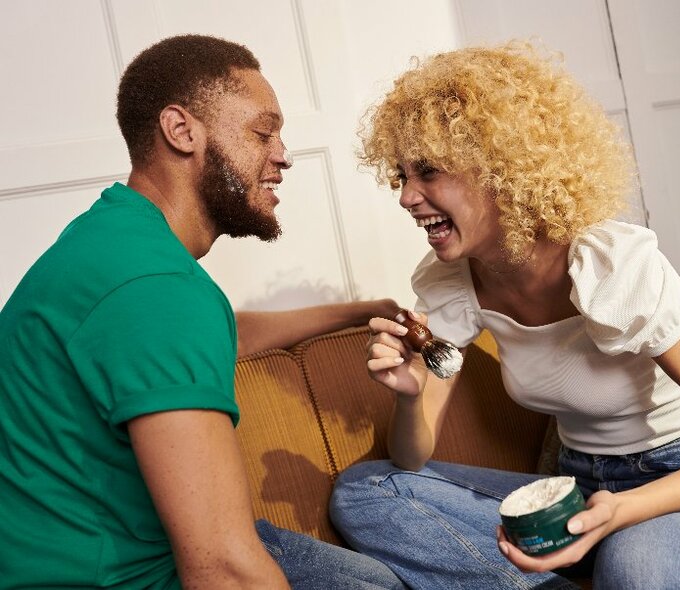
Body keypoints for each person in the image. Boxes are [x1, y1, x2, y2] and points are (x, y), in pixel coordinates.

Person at [329, 42, 680, 589]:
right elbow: (411, 458)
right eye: (400, 176)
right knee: (367, 491)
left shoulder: (612, 267)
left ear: (502, 168)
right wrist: (409, 397)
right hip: (572, 491)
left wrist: (622, 512)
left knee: (636, 568)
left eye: (428, 171)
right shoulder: (452, 282)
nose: (407, 197)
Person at [0, 34, 405, 589]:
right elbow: (222, 569)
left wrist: (362, 311)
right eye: (263, 132)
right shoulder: (156, 290)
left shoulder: (117, 241)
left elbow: (219, 335)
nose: (284, 154)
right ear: (182, 130)